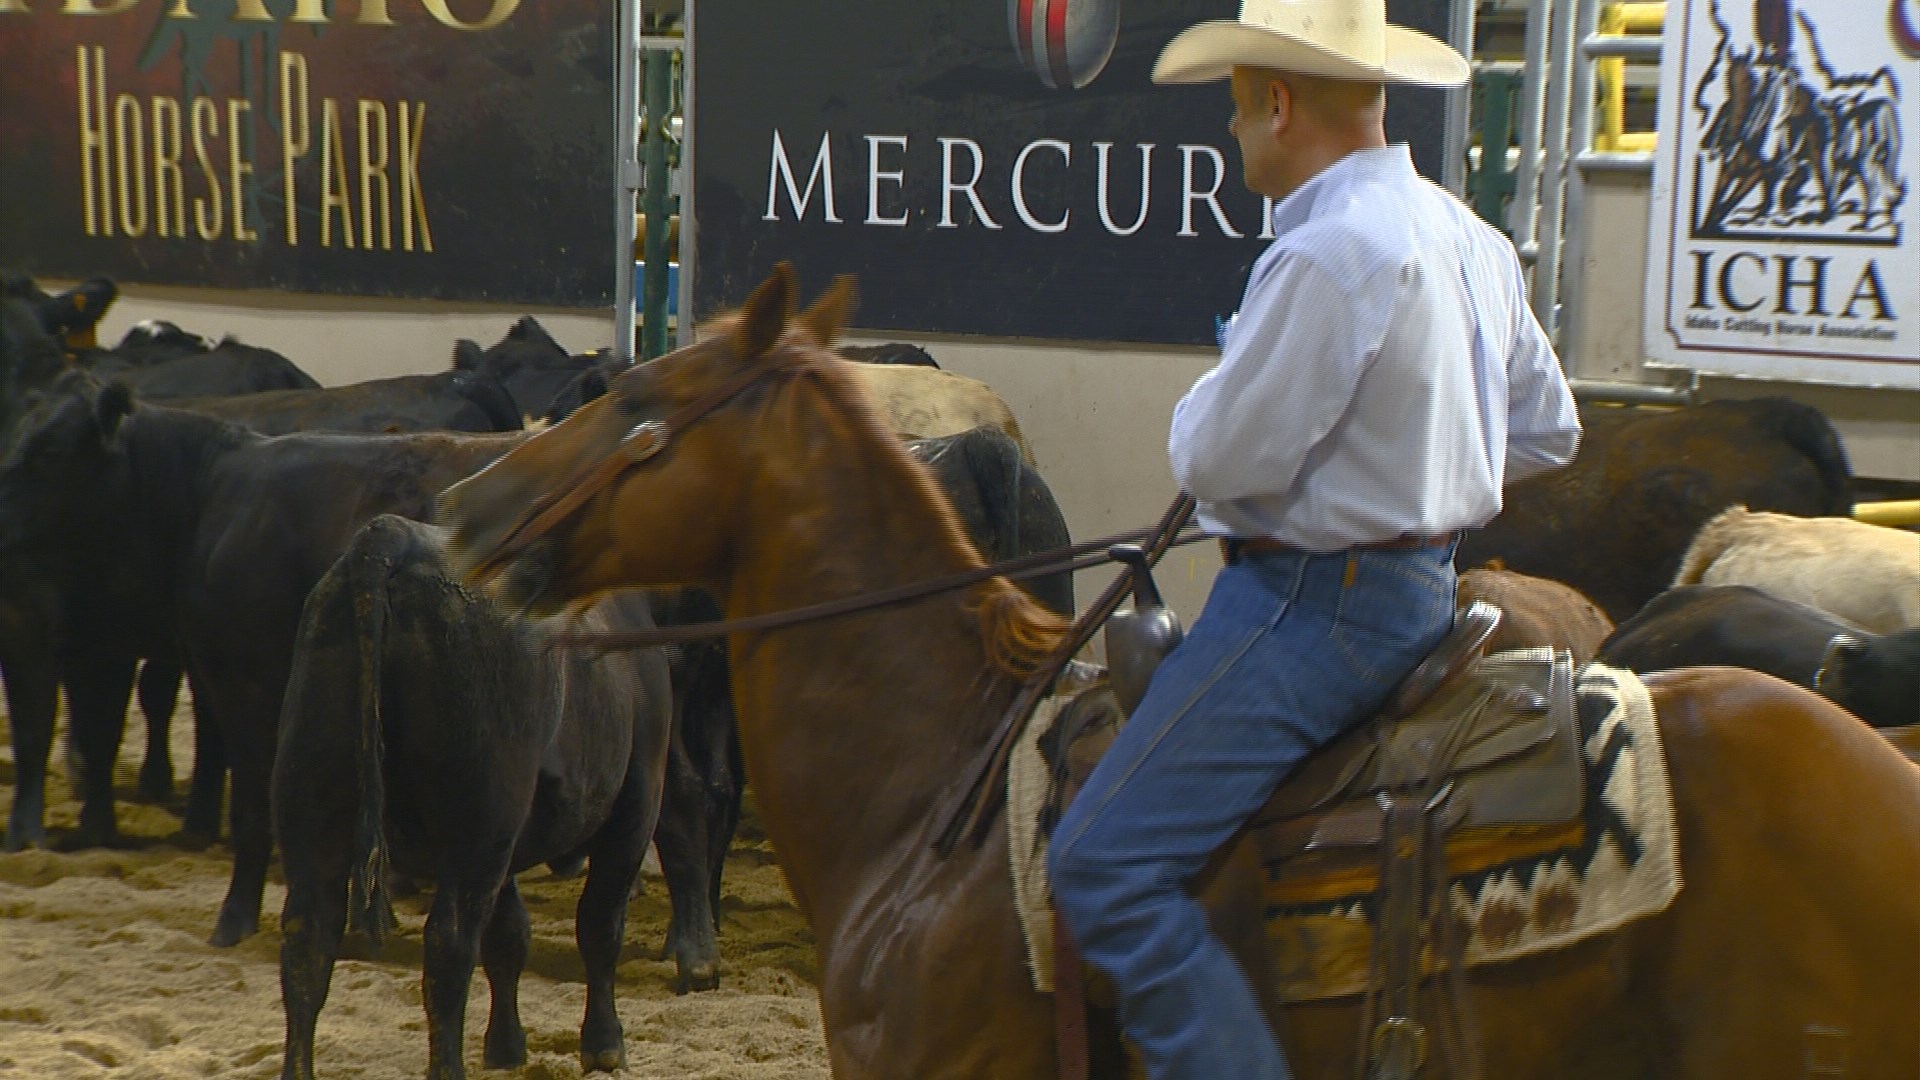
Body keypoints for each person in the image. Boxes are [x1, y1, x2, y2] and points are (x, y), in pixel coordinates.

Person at [1045, 2, 1582, 1077]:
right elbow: (1546, 429)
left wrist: (1293, 450)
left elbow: (1214, 461)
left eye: (1238, 112)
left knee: (1102, 862)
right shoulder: (1470, 237)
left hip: (1307, 613)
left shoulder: (1328, 254)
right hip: (1426, 594)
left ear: (1279, 104)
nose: (1233, 132)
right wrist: (1423, 468)